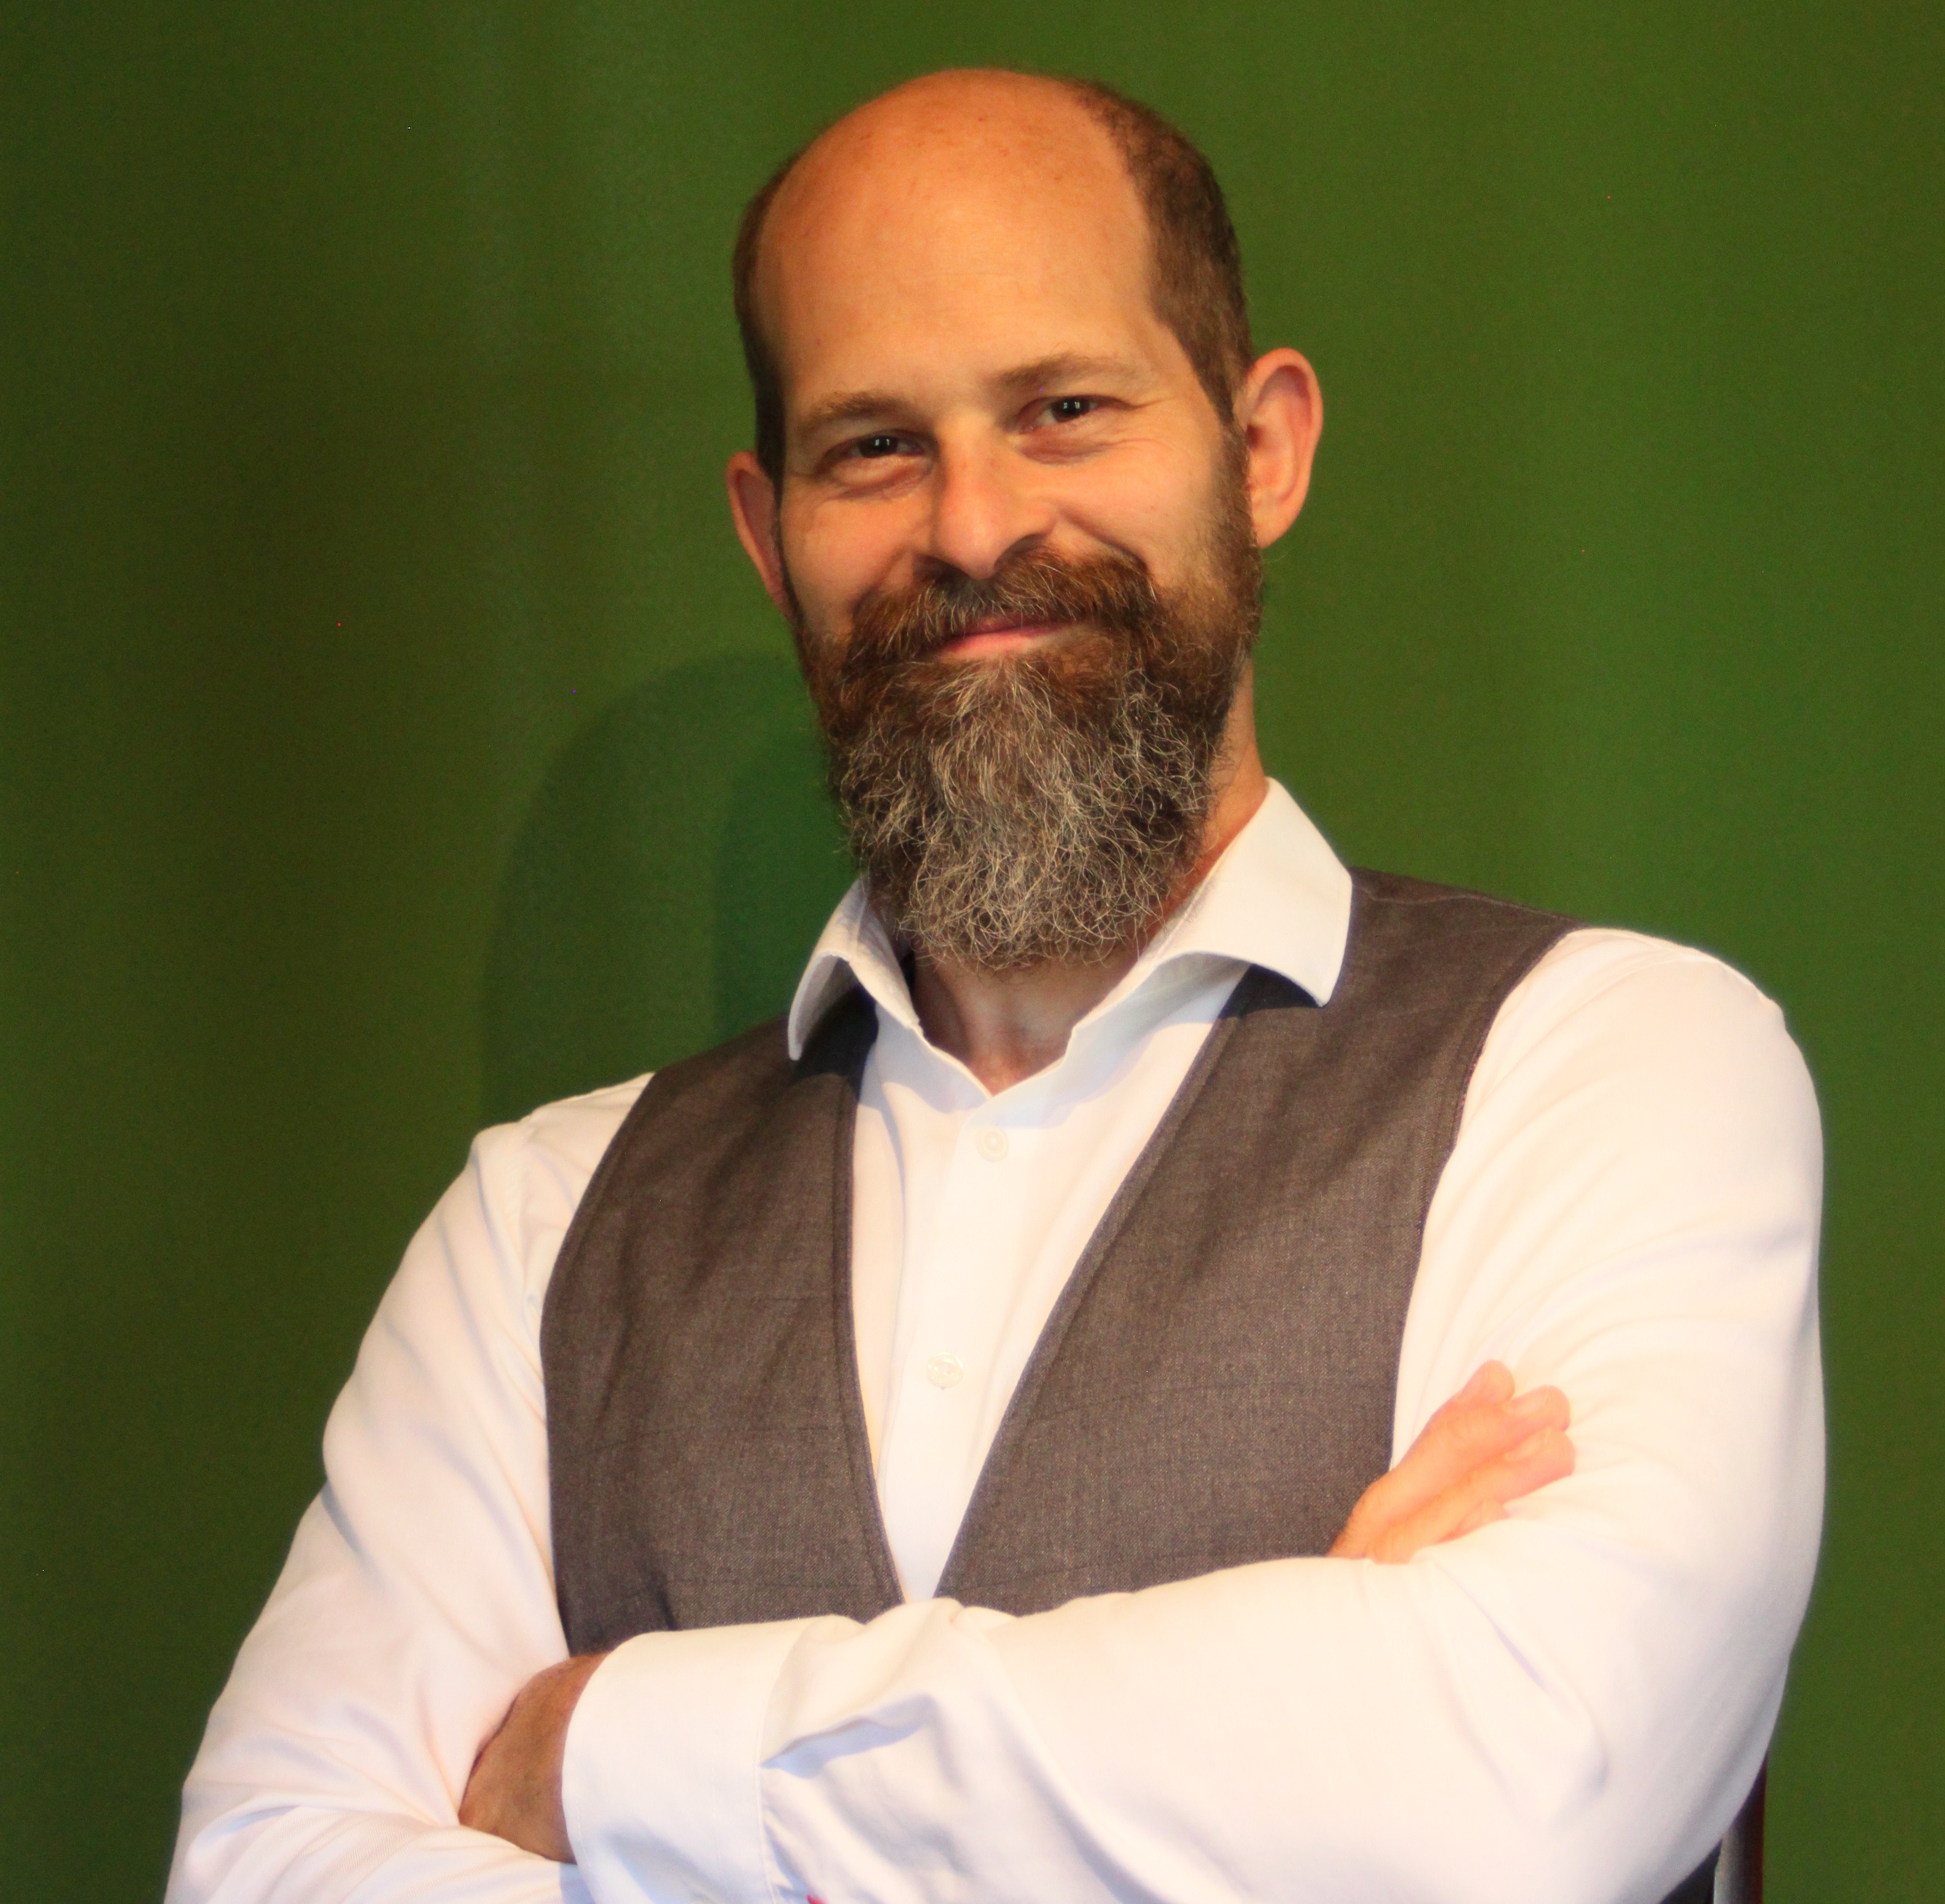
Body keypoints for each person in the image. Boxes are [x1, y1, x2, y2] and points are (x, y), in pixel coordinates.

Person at [169, 68, 1823, 1904]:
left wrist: (622, 1756)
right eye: (874, 444)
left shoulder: (1610, 1068)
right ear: (766, 534)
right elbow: (268, 1872)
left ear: (1261, 452)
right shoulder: (540, 1228)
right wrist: (1279, 1752)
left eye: (1064, 411)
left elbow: (1517, 1799)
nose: (970, 528)